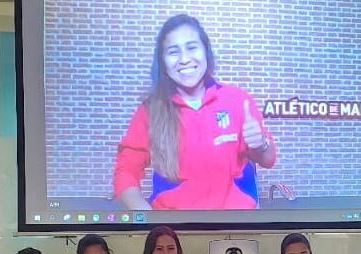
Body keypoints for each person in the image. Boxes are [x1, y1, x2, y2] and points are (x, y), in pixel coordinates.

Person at [113, 13, 277, 210]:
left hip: (235, 226)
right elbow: (126, 171)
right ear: (162, 62)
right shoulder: (150, 111)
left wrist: (261, 144)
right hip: (174, 230)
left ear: (205, 51)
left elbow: (268, 160)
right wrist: (147, 218)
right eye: (173, 52)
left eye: (192, 47)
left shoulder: (237, 99)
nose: (184, 59)